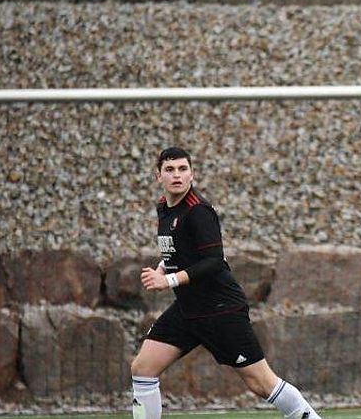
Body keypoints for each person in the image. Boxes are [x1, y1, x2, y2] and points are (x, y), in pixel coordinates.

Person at [130, 147, 320, 419]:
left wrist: (168, 280)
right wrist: (162, 267)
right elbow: (181, 249)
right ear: (158, 176)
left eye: (183, 169)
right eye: (169, 170)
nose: (177, 175)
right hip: (188, 309)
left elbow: (214, 261)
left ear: (192, 174)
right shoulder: (164, 207)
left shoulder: (199, 211)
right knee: (143, 369)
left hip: (220, 309)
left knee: (262, 383)